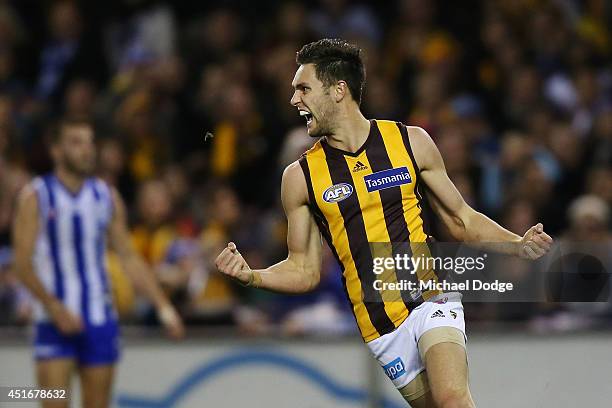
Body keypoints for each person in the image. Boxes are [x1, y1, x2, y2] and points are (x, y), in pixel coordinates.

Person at [215, 39, 552, 408]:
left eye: (303, 88)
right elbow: (305, 269)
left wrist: (517, 244)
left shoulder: (411, 142)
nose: (295, 100)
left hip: (429, 299)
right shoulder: (301, 177)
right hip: (380, 325)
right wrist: (252, 276)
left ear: (338, 90)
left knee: (453, 400)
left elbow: (460, 219)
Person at [12, 117, 185, 408]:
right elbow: (22, 263)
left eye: (90, 142)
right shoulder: (36, 196)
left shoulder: (106, 197)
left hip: (99, 317)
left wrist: (163, 307)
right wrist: (54, 307)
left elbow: (129, 256)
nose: (86, 150)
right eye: (76, 142)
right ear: (56, 150)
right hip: (53, 319)